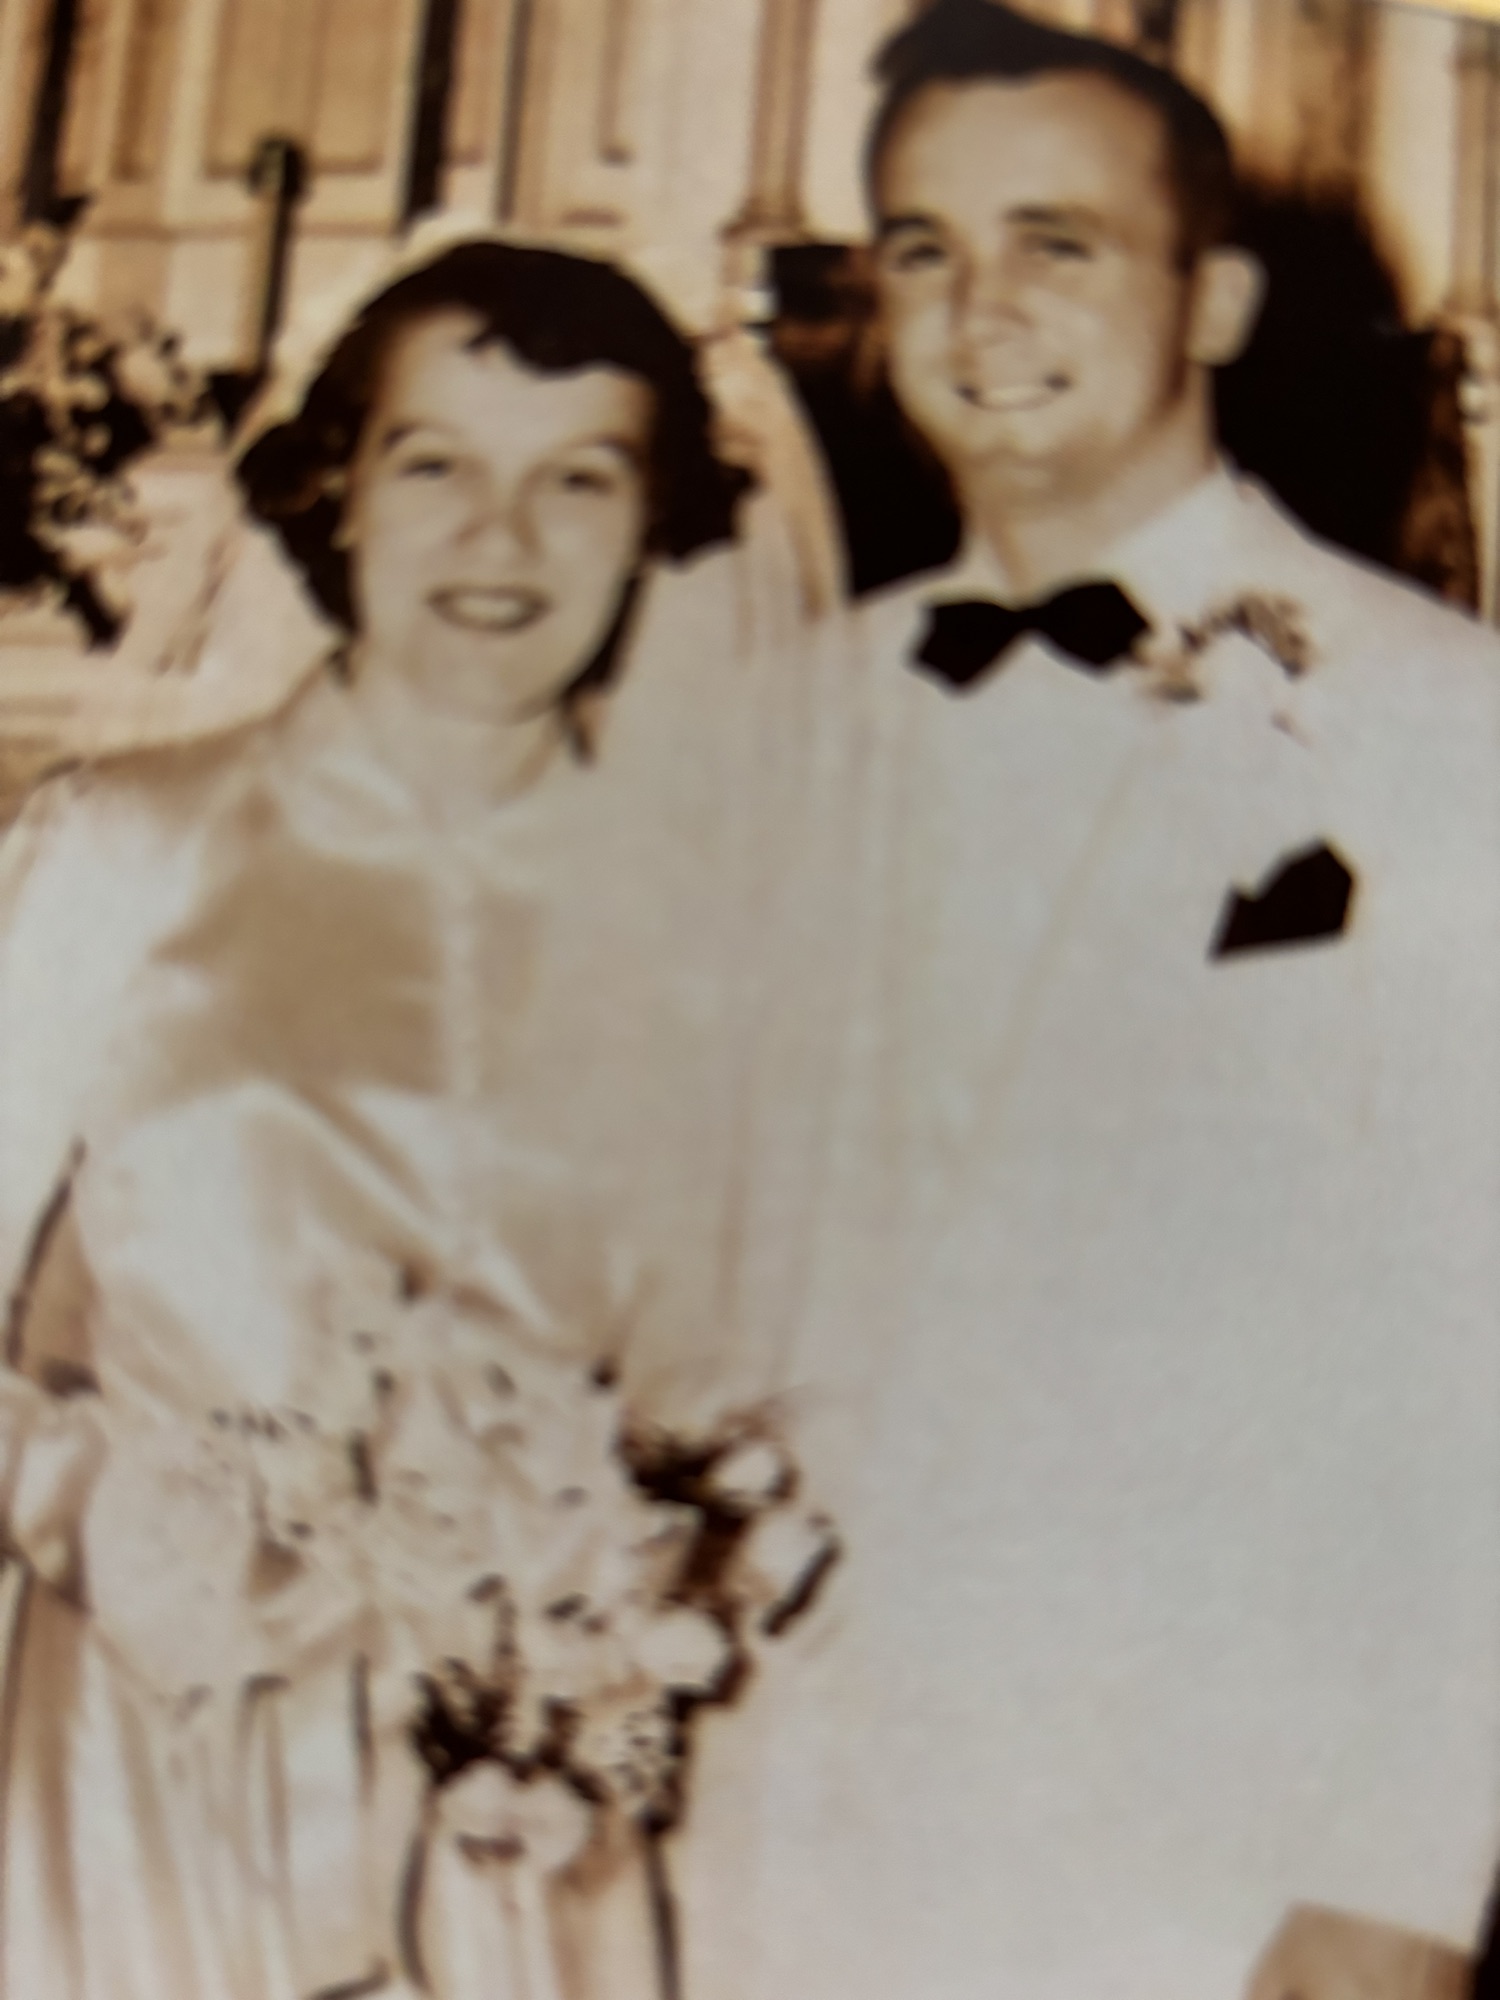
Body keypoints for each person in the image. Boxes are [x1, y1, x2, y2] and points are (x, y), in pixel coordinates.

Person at [670, 7, 1500, 1998]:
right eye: (925, 249)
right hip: (776, 1832)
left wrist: (1401, 1870)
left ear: (1215, 299)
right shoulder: (769, 727)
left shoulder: (1440, 725)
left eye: (1060, 244)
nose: (983, 311)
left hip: (1205, 1844)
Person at [0, 238, 822, 2000]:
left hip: (544, 1816)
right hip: (164, 1785)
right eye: (436, 464)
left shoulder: (725, 931)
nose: (501, 540)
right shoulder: (123, 850)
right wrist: (112, 1519)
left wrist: (659, 1577)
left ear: (654, 521)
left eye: (579, 480)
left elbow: (769, 1377)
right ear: (338, 490)